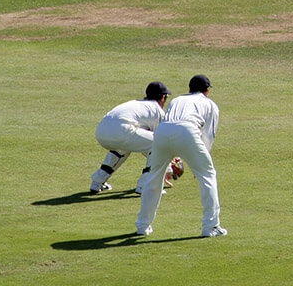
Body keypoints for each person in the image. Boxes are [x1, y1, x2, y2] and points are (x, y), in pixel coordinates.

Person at [135, 75, 226, 238]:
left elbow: (172, 127)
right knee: (208, 175)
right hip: (187, 131)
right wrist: (199, 163)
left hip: (162, 132)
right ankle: (211, 226)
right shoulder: (210, 104)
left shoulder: (177, 100)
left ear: (190, 88)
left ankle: (143, 225)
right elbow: (208, 135)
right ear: (207, 90)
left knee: (153, 177)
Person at [89, 82, 173, 194]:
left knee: (123, 148)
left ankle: (97, 182)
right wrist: (168, 168)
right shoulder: (157, 110)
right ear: (163, 97)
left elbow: (145, 143)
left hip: (101, 132)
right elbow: (161, 140)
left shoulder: (136, 103)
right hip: (123, 130)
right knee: (161, 145)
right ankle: (145, 186)